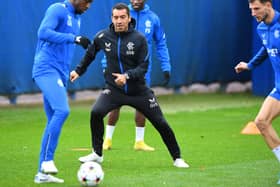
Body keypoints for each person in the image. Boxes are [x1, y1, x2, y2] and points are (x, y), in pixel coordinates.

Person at [70, 3, 189, 168]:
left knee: (160, 122)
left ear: (129, 18)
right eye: (116, 17)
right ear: (112, 18)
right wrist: (78, 71)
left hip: (139, 91)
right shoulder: (102, 36)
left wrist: (127, 76)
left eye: (122, 17)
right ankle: (97, 154)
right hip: (113, 90)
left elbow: (143, 67)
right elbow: (90, 54)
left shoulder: (139, 39)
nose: (119, 21)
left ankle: (177, 158)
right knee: (96, 112)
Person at [32, 0, 93, 183]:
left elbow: (64, 51)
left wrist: (67, 73)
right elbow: (42, 33)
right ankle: (48, 160)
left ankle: (41, 174)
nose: (88, 6)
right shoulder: (57, 9)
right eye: (86, 1)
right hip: (45, 68)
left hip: (59, 72)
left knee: (53, 119)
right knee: (63, 110)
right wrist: (73, 38)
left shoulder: (76, 17)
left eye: (91, 2)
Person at [102, 0, 171, 152]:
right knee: (115, 103)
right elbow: (110, 41)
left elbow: (160, 43)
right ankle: (107, 140)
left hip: (142, 70)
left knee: (142, 104)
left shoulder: (153, 18)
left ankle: (139, 142)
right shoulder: (122, 15)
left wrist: (166, 66)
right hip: (119, 68)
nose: (135, 1)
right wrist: (105, 64)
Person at [235, 0, 280, 184]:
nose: (253, 13)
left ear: (268, 5)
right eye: (251, 9)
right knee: (261, 122)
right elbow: (265, 48)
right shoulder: (261, 28)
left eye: (257, 8)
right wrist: (250, 65)